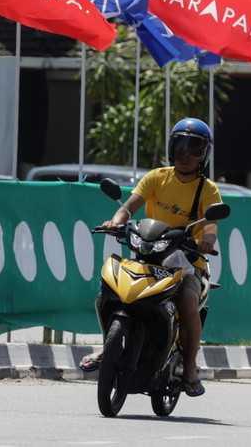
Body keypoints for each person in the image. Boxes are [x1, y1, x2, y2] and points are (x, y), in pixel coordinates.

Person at [82, 118, 222, 397]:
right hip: (148, 255)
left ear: (203, 155)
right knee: (108, 290)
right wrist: (115, 221)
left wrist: (206, 242)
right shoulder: (156, 177)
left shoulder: (208, 190)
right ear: (171, 147)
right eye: (180, 146)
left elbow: (210, 229)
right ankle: (107, 345)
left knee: (187, 300)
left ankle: (191, 366)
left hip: (187, 263)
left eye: (193, 148)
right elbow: (128, 207)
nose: (185, 154)